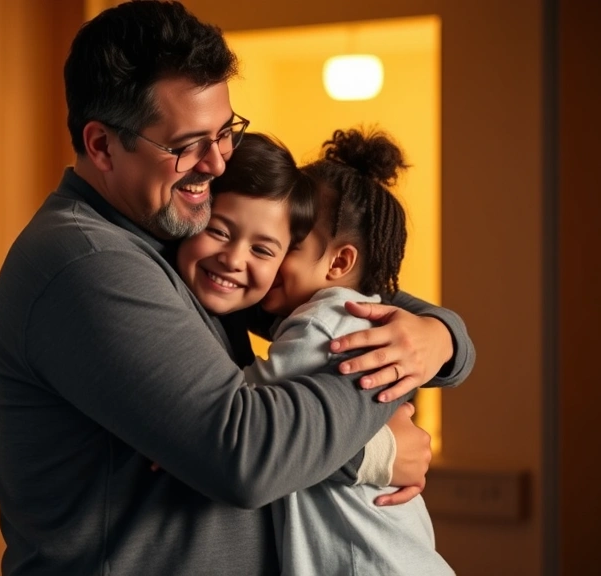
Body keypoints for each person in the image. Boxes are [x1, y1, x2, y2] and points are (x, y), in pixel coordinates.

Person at [0, 2, 475, 574]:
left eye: (225, 133)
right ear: (102, 146)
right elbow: (245, 455)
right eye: (187, 145)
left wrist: (438, 337)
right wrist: (370, 437)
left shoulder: (176, 239)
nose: (217, 164)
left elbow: (332, 302)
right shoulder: (88, 264)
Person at [177, 129, 457, 575]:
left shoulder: (323, 321)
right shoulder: (350, 315)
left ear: (339, 263)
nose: (255, 259)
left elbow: (245, 415)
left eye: (286, 244)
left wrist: (181, 427)